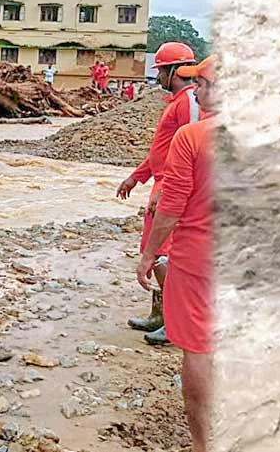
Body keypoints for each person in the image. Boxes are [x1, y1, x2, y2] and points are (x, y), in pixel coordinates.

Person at [137, 55, 216, 452]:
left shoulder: (195, 134)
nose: (196, 90)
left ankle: (202, 444)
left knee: (199, 348)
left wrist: (149, 254)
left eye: (201, 84)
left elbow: (173, 204)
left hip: (199, 256)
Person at [116, 41, 200, 345]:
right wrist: (136, 178)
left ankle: (174, 321)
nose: (159, 77)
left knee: (164, 254)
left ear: (174, 71)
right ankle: (160, 314)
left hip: (171, 185)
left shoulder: (189, 102)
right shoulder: (177, 102)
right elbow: (161, 151)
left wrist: (170, 192)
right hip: (161, 182)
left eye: (162, 71)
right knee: (155, 251)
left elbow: (192, 149)